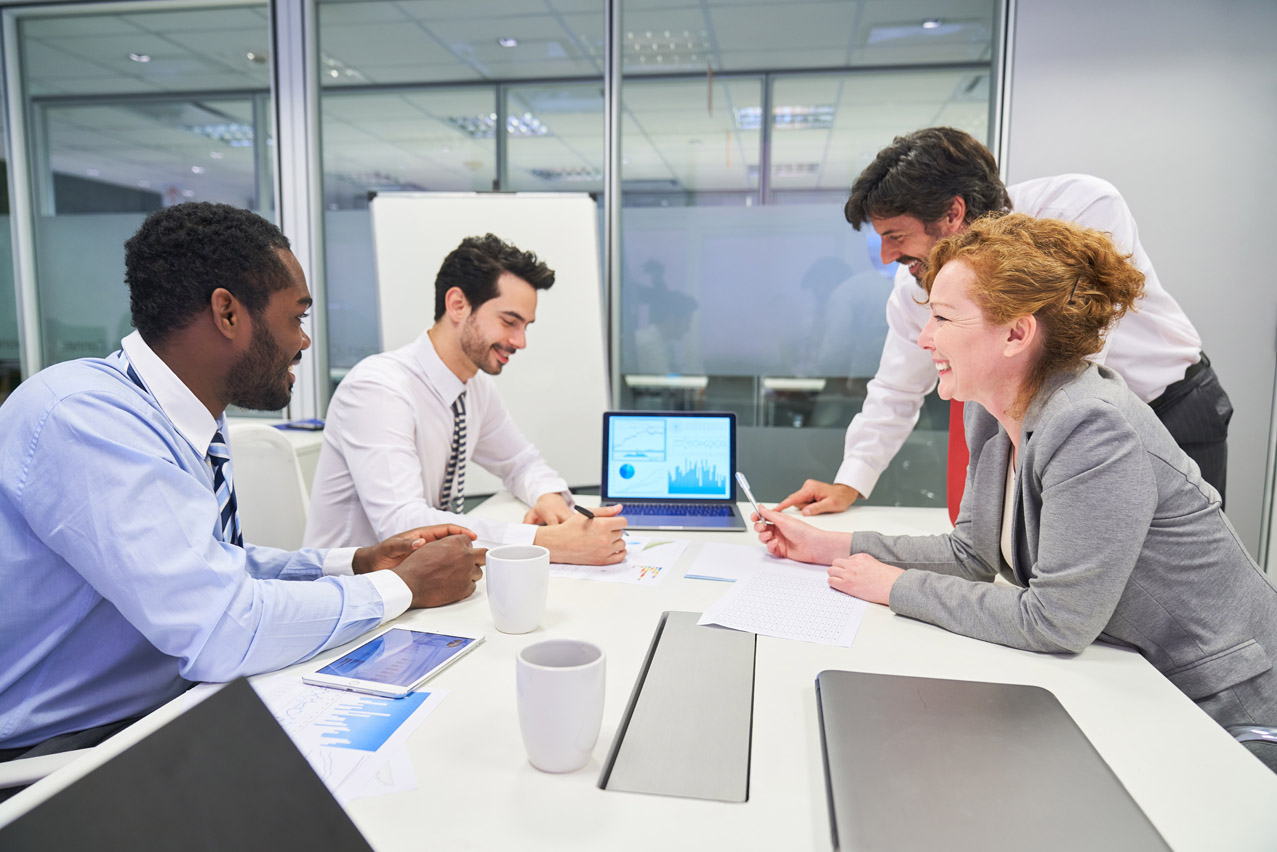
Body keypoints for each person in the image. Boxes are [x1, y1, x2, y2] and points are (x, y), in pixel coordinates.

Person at [756, 214, 1277, 770]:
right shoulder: (992, 413)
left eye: (942, 317)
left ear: (1016, 334)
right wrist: (825, 546)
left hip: (1224, 708)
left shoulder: (1092, 426)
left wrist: (893, 586)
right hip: (1137, 683)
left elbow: (1055, 621)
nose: (924, 336)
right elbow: (971, 554)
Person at [0, 203, 485, 768]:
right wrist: (402, 589)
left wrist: (354, 564)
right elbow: (220, 629)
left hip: (167, 709)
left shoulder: (183, 415)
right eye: (296, 318)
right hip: (63, 751)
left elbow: (202, 567)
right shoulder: (83, 419)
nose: (303, 342)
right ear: (228, 313)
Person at [779, 127, 1231, 516]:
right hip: (1065, 430)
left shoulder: (1078, 209)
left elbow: (1080, 363)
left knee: (1177, 586)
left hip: (1169, 407)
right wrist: (849, 483)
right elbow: (896, 387)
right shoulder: (920, 283)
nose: (887, 257)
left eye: (896, 236)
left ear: (953, 214)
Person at [305, 234, 627, 564]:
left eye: (526, 326)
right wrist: (546, 542)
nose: (520, 341)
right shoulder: (378, 388)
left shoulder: (473, 387)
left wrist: (550, 498)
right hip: (348, 590)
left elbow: (521, 462)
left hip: (418, 579)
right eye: (509, 321)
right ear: (458, 304)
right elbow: (401, 525)